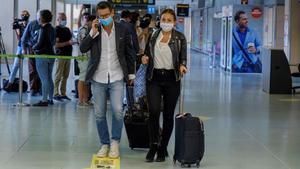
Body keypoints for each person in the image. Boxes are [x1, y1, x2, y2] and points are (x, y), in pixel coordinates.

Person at [80, 1, 135, 158]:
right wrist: (92, 33)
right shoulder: (94, 30)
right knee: (99, 113)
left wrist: (131, 74)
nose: (103, 18)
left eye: (106, 15)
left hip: (117, 76)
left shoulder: (123, 29)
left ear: (112, 13)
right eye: (100, 16)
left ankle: (115, 142)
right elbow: (83, 48)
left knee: (118, 110)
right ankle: (104, 143)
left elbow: (129, 52)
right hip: (98, 77)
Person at [141, 8, 188, 162]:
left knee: (168, 115)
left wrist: (182, 65)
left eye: (169, 20)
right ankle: (153, 144)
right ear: (159, 20)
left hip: (172, 79)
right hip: (154, 77)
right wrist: (144, 58)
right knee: (153, 111)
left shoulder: (180, 38)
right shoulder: (154, 35)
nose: (166, 22)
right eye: (163, 19)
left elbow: (183, 58)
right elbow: (147, 53)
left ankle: (163, 148)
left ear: (174, 22)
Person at [32, 9, 56, 106]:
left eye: (38, 16)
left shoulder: (42, 29)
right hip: (51, 55)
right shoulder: (53, 28)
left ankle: (44, 100)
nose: (37, 18)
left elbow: (40, 43)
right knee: (49, 78)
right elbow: (53, 42)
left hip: (42, 55)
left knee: (44, 78)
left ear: (41, 18)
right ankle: (50, 98)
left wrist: (33, 47)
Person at [5, 10, 30, 91]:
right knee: (16, 65)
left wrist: (24, 26)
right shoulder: (20, 25)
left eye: (25, 14)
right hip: (21, 46)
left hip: (30, 46)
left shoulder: (30, 25)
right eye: (22, 15)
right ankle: (10, 83)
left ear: (28, 16)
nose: (23, 16)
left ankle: (36, 87)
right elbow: (19, 38)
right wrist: (16, 29)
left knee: (33, 66)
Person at [53, 13, 74, 101]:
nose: (64, 20)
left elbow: (70, 40)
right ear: (58, 20)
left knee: (65, 76)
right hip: (60, 55)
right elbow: (56, 44)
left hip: (68, 55)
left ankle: (63, 93)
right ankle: (55, 93)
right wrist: (67, 43)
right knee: (58, 75)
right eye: (62, 18)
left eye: (65, 18)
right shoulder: (56, 29)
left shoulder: (67, 29)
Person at [77, 14, 96, 107]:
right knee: (82, 78)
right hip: (83, 57)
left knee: (85, 79)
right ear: (90, 21)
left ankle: (85, 99)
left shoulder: (88, 30)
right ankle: (80, 100)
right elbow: (85, 43)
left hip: (88, 57)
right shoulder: (83, 30)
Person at [21, 12, 42, 96]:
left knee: (41, 69)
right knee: (32, 69)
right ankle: (33, 88)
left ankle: (40, 88)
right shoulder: (32, 24)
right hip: (31, 48)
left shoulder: (45, 25)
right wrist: (24, 49)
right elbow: (24, 38)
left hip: (41, 50)